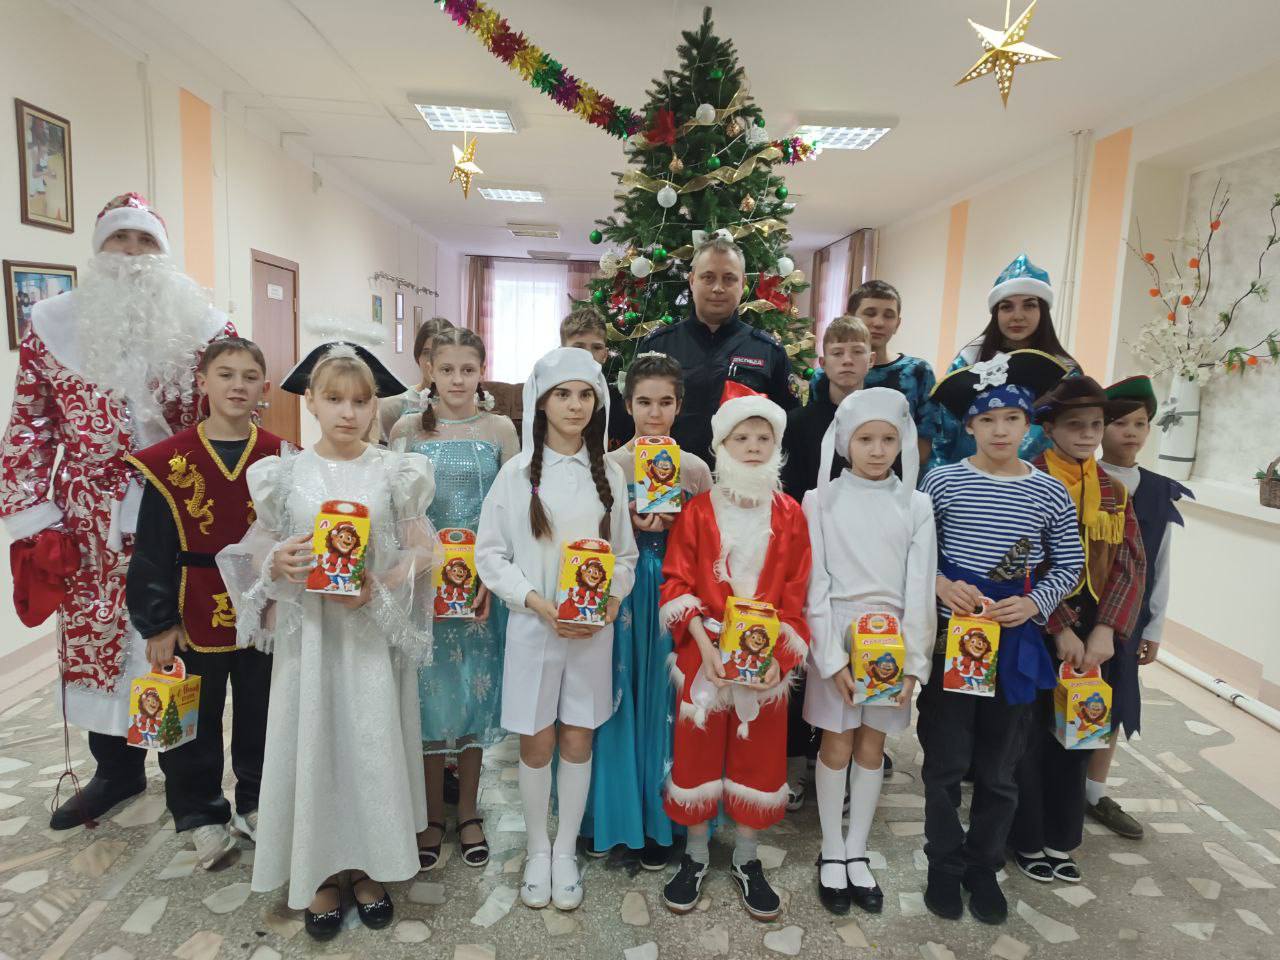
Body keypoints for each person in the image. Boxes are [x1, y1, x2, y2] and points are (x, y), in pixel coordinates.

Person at [0, 192, 235, 829]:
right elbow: (29, 427)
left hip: (181, 515)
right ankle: (116, 772)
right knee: (100, 644)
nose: (132, 255)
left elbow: (233, 414)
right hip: (89, 524)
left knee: (181, 644)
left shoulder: (206, 328)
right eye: (118, 241)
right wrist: (37, 522)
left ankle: (194, 791)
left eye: (145, 242)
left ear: (164, 253)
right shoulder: (52, 325)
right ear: (98, 250)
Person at [215, 342, 435, 940]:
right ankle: (318, 870)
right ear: (310, 401)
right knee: (314, 738)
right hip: (309, 638)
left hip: (367, 636)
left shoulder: (396, 472)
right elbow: (256, 547)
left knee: (368, 740)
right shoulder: (283, 474)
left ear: (374, 406)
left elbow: (424, 551)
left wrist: (382, 583)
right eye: (334, 399)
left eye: (360, 402)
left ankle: (366, 864)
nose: (348, 412)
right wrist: (277, 562)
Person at [917, 350, 1082, 925]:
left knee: (999, 768)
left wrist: (1034, 603)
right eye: (987, 420)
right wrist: (940, 583)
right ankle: (943, 863)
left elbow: (1069, 563)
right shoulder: (941, 481)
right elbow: (917, 551)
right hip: (952, 640)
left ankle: (983, 865)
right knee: (945, 762)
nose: (1000, 430)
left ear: (1028, 423)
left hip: (1012, 642)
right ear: (969, 426)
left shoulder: (1049, 492)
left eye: (1011, 418)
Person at [475, 347, 637, 912]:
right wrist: (538, 603)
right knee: (537, 738)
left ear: (599, 403)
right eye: (562, 394)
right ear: (541, 403)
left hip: (591, 635)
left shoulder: (610, 474)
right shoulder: (516, 475)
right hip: (533, 628)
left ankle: (565, 848)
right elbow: (490, 555)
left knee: (577, 736)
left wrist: (611, 601)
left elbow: (624, 556)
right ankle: (537, 849)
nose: (574, 405)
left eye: (585, 394)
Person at [124, 337, 285, 868]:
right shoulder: (169, 460)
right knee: (194, 715)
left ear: (264, 386)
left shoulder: (282, 457)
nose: (238, 386)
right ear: (203, 382)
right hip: (191, 605)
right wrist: (157, 622)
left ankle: (258, 802)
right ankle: (199, 813)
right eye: (225, 374)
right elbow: (151, 550)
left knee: (263, 709)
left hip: (263, 605)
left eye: (249, 376)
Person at [659, 382, 811, 922]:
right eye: (741, 437)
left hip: (764, 658)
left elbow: (796, 591)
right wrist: (702, 645)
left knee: (759, 755)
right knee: (696, 752)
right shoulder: (699, 511)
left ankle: (747, 857)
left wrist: (779, 658)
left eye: (762, 438)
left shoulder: (790, 514)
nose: (752, 446)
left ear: (776, 446)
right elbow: (677, 582)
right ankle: (696, 854)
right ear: (722, 445)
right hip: (704, 653)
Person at [388, 328, 519, 872]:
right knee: (426, 697)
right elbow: (395, 510)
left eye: (468, 369)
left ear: (481, 371)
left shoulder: (500, 429)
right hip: (425, 583)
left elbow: (513, 508)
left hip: (480, 583)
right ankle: (429, 815)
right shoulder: (405, 430)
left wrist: (492, 574)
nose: (458, 380)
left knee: (471, 695)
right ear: (430, 371)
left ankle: (468, 810)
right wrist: (413, 569)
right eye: (447, 370)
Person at [802, 388, 937, 915]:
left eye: (888, 439)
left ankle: (857, 848)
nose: (878, 450)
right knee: (836, 743)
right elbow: (815, 581)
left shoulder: (916, 505)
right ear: (844, 442)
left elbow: (920, 585)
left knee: (872, 747)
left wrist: (914, 663)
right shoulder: (820, 500)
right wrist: (830, 657)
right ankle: (831, 848)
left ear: (903, 442)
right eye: (865, 439)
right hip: (836, 631)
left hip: (891, 643)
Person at [1010, 377, 1146, 884]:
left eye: (1095, 425)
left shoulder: (1113, 491)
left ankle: (1060, 838)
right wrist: (1059, 627)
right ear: (1049, 429)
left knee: (1079, 731)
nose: (1087, 434)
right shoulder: (1030, 480)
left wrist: (1105, 629)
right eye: (1075, 425)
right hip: (1038, 622)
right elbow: (1019, 561)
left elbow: (1131, 564)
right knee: (1029, 733)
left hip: (1095, 628)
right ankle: (1026, 837)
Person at [580, 351, 712, 869]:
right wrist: (625, 522)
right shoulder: (610, 465)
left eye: (665, 403)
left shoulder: (695, 469)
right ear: (628, 405)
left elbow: (711, 543)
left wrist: (681, 525)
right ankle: (611, 817)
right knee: (617, 692)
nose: (654, 413)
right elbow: (590, 536)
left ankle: (664, 821)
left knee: (663, 695)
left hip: (674, 591)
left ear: (679, 406)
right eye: (644, 402)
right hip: (624, 588)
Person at [1088, 375, 1192, 838]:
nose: (1130, 432)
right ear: (1100, 428)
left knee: (1113, 700)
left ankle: (1093, 791)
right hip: (1081, 611)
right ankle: (1054, 782)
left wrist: (1155, 629)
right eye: (1119, 423)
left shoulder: (1158, 490)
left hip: (1129, 619)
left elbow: (1160, 565)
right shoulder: (1081, 478)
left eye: (1140, 423)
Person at [779, 314, 873, 808]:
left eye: (856, 353)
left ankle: (838, 756)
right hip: (809, 550)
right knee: (806, 651)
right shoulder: (800, 422)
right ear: (823, 361)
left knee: (853, 648)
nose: (847, 361)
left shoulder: (882, 423)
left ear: (870, 359)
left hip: (863, 559)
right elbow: (789, 489)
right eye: (837, 353)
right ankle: (796, 759)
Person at [639, 236, 797, 467]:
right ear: (692, 280)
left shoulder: (768, 351)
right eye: (708, 277)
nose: (718, 288)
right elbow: (635, 418)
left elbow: (788, 428)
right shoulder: (658, 347)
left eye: (729, 278)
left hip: (741, 482)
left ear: (743, 284)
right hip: (667, 477)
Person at [927, 255, 1078, 473]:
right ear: (996, 313)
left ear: (1043, 311)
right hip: (968, 481)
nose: (1017, 316)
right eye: (1007, 307)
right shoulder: (969, 361)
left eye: (1029, 306)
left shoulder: (1065, 372)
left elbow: (1076, 435)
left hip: (1038, 484)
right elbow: (943, 435)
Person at [809, 280, 938, 465]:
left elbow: (925, 442)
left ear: (898, 323)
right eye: (870, 313)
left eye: (888, 316)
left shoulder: (917, 373)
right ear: (850, 317)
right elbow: (815, 431)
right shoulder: (824, 377)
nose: (878, 323)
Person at [559, 307, 633, 449]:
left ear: (605, 355)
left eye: (597, 348)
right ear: (562, 353)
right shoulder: (550, 402)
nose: (588, 356)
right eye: (578, 348)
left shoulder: (622, 406)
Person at [379, 316, 455, 443]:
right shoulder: (393, 407)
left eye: (442, 353)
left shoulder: (470, 405)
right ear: (417, 357)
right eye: (427, 353)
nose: (433, 361)